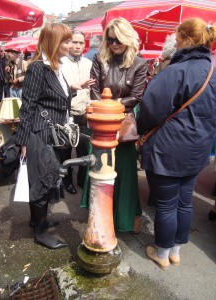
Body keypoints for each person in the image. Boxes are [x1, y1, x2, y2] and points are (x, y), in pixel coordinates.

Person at [137, 18, 216, 270]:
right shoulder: (213, 70)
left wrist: (140, 131)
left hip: (168, 149)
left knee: (168, 204)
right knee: (184, 201)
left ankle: (162, 254)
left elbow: (150, 108)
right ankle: (176, 251)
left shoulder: (176, 70)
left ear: (182, 40)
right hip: (198, 149)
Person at [83, 17, 148, 233]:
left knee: (125, 171)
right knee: (99, 168)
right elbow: (93, 89)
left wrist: (112, 105)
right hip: (101, 124)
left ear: (127, 39)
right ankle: (99, 214)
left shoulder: (139, 63)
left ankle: (125, 217)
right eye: (109, 40)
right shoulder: (100, 59)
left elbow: (137, 96)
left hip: (123, 124)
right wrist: (105, 107)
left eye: (117, 40)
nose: (113, 44)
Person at [15, 23, 74, 249]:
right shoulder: (38, 68)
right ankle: (40, 232)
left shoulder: (55, 67)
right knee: (42, 181)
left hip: (52, 132)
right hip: (39, 132)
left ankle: (36, 220)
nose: (69, 45)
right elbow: (28, 105)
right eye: (66, 41)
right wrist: (23, 140)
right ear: (53, 42)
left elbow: (53, 98)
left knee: (44, 178)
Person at [61, 30, 95, 194]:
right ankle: (66, 180)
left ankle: (82, 179)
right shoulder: (61, 63)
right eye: (74, 42)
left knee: (84, 149)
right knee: (66, 148)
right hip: (68, 113)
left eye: (81, 43)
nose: (78, 46)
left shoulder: (89, 63)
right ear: (68, 43)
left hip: (85, 113)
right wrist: (73, 87)